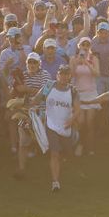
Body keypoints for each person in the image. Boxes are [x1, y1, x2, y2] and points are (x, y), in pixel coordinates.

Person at [45, 65, 79, 193]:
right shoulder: (49, 86)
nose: (64, 77)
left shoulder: (73, 91)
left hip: (65, 126)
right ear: (57, 75)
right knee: (54, 153)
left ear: (69, 76)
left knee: (68, 152)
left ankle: (69, 169)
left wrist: (72, 120)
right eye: (62, 74)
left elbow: (78, 109)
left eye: (66, 74)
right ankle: (55, 182)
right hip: (51, 124)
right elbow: (38, 99)